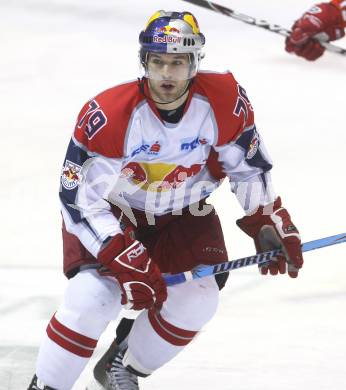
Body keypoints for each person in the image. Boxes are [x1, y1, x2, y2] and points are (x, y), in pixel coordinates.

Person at [28, 10, 304, 390]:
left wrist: (268, 220)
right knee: (94, 298)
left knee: (197, 300)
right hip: (114, 212)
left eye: (178, 63)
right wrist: (118, 252)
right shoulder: (110, 114)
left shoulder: (224, 101)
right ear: (145, 62)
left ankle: (121, 366)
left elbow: (248, 170)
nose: (167, 74)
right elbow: (79, 200)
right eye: (158, 62)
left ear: (194, 63)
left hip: (186, 213)